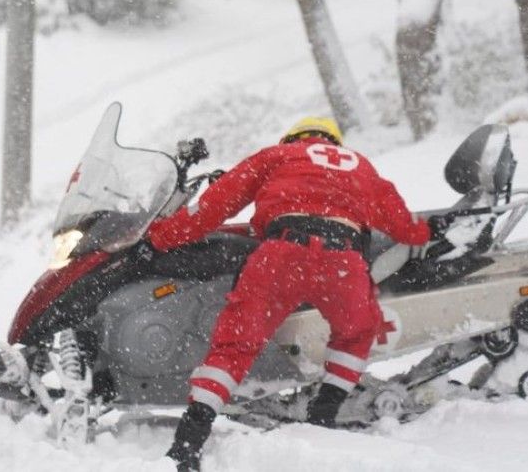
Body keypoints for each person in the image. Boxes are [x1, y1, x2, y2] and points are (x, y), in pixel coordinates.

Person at [147, 117, 451, 471]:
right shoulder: (359, 164)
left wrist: (156, 239)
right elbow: (401, 222)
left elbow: (215, 205)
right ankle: (322, 417)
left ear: (293, 138)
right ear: (333, 142)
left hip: (282, 254)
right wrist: (429, 229)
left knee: (235, 345)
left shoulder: (278, 155)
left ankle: (188, 442)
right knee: (357, 334)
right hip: (343, 262)